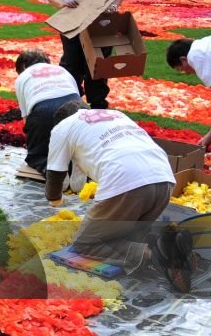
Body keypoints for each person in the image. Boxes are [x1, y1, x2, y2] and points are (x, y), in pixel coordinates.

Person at [45, 100, 195, 291]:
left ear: (60, 121)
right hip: (164, 177)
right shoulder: (115, 115)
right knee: (128, 234)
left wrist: (54, 199)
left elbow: (55, 174)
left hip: (127, 181)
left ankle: (156, 253)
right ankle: (170, 243)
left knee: (85, 244)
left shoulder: (62, 127)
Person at [45, 0, 129, 110]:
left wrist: (114, 6)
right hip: (73, 23)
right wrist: (63, 3)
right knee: (71, 63)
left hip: (101, 25)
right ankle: (71, 99)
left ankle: (98, 103)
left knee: (98, 65)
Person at [167, 29, 211, 158]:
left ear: (183, 59)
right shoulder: (206, 47)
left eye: (181, 69)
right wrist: (209, 138)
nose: (187, 73)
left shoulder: (195, 56)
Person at [14, 49, 81, 175]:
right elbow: (76, 96)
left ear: (22, 66)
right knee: (78, 147)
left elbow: (26, 119)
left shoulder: (23, 76)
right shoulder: (62, 70)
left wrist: (36, 139)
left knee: (37, 155)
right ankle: (78, 167)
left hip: (44, 109)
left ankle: (51, 171)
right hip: (76, 107)